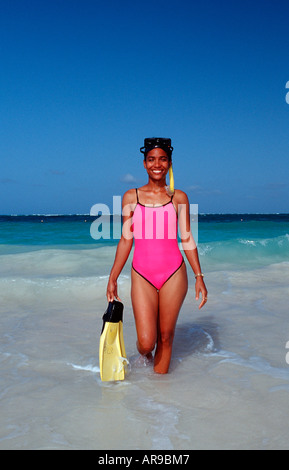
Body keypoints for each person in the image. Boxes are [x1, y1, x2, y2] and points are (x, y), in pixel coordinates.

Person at [106, 137, 208, 374]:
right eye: (151, 159)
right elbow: (126, 239)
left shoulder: (178, 198)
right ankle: (145, 358)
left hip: (174, 272)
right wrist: (113, 277)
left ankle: (160, 396)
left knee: (166, 336)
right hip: (142, 274)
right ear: (144, 164)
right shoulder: (131, 197)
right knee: (145, 342)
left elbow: (187, 238)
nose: (157, 164)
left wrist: (199, 276)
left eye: (162, 159)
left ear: (169, 163)